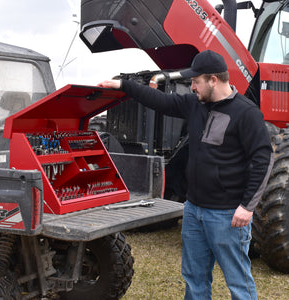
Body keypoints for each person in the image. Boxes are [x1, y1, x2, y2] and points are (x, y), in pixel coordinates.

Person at [98, 50, 274, 300]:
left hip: (227, 216)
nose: (191, 87)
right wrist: (123, 85)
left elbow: (263, 160)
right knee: (194, 277)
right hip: (194, 211)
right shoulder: (194, 105)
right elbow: (159, 101)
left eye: (196, 81)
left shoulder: (246, 113)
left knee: (238, 281)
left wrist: (247, 206)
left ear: (213, 80)